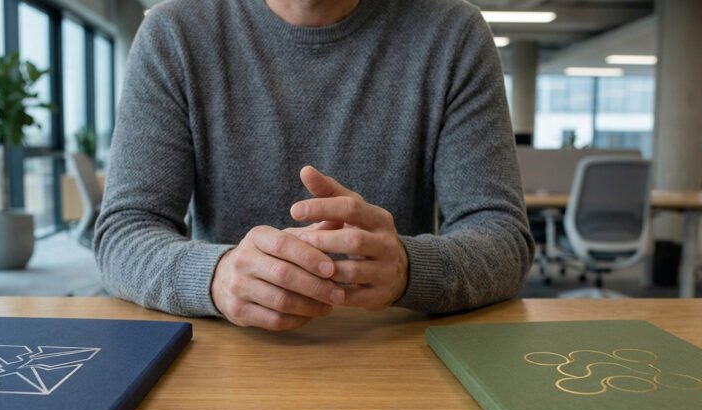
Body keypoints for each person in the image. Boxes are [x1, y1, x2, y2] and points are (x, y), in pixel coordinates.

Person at [94, 0, 534, 330]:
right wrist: (216, 275)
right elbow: (123, 232)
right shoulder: (174, 34)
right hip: (226, 350)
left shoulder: (452, 34)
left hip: (393, 349)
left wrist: (409, 268)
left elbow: (503, 237)